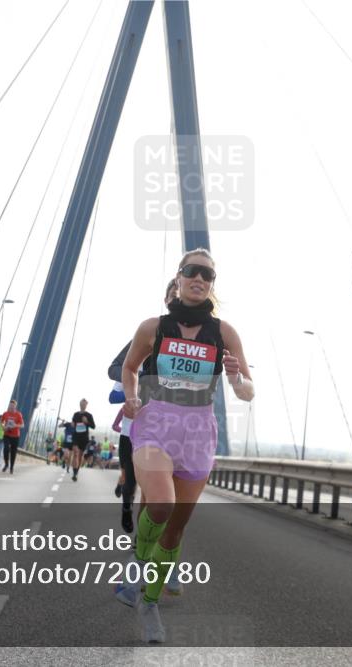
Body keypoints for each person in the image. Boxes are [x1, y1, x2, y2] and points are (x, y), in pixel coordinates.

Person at [115, 248, 254, 643]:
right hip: (155, 422)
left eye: (208, 275)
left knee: (175, 531)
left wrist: (236, 379)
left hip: (197, 431)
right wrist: (131, 395)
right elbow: (129, 367)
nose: (200, 279)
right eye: (192, 272)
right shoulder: (152, 327)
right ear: (178, 278)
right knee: (160, 505)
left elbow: (246, 391)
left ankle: (150, 603)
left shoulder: (224, 332)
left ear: (212, 285)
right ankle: (137, 567)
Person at [108, 279, 180, 534]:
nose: (177, 298)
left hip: (173, 427)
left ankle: (148, 538)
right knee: (132, 482)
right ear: (166, 300)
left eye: (179, 294)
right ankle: (128, 509)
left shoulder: (199, 341)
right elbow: (115, 368)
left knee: (159, 491)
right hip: (136, 425)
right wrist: (135, 384)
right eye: (172, 294)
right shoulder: (150, 332)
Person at [69, 399, 96, 482]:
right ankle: (74, 473)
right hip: (76, 436)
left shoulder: (89, 415)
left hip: (84, 438)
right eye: (81, 404)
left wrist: (87, 422)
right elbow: (73, 423)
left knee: (80, 456)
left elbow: (93, 426)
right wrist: (72, 424)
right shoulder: (75, 414)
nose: (83, 405)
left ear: (86, 405)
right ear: (79, 404)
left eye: (84, 404)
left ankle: (76, 472)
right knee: (76, 453)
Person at [0, 400, 25, 474]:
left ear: (15, 407)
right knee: (5, 449)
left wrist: (15, 425)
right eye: (10, 406)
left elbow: (22, 425)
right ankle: (6, 464)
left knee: (13, 452)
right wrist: (3, 427)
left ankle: (11, 467)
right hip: (7, 434)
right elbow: (1, 422)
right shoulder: (5, 413)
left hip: (15, 436)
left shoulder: (18, 414)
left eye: (12, 406)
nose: (11, 407)